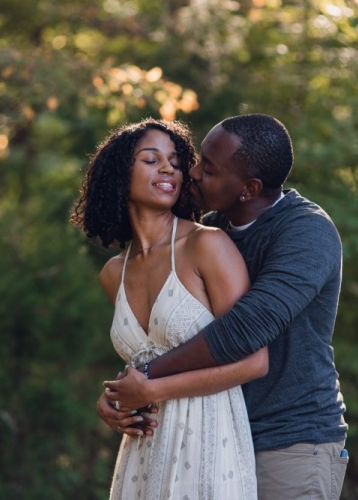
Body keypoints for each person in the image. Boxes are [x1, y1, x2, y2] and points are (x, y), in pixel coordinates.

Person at [101, 114, 349, 500]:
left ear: (248, 189)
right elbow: (168, 341)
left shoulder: (305, 232)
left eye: (209, 169)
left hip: (288, 441)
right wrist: (120, 394)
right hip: (209, 435)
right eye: (198, 161)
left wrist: (145, 379)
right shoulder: (212, 230)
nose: (193, 173)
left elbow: (244, 331)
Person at [71, 118, 268, 499]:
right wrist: (111, 400)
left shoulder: (207, 246)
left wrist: (152, 389)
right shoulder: (114, 273)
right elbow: (151, 358)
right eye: (151, 159)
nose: (168, 169)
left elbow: (255, 362)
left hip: (211, 440)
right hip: (144, 449)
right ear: (118, 173)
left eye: (176, 162)